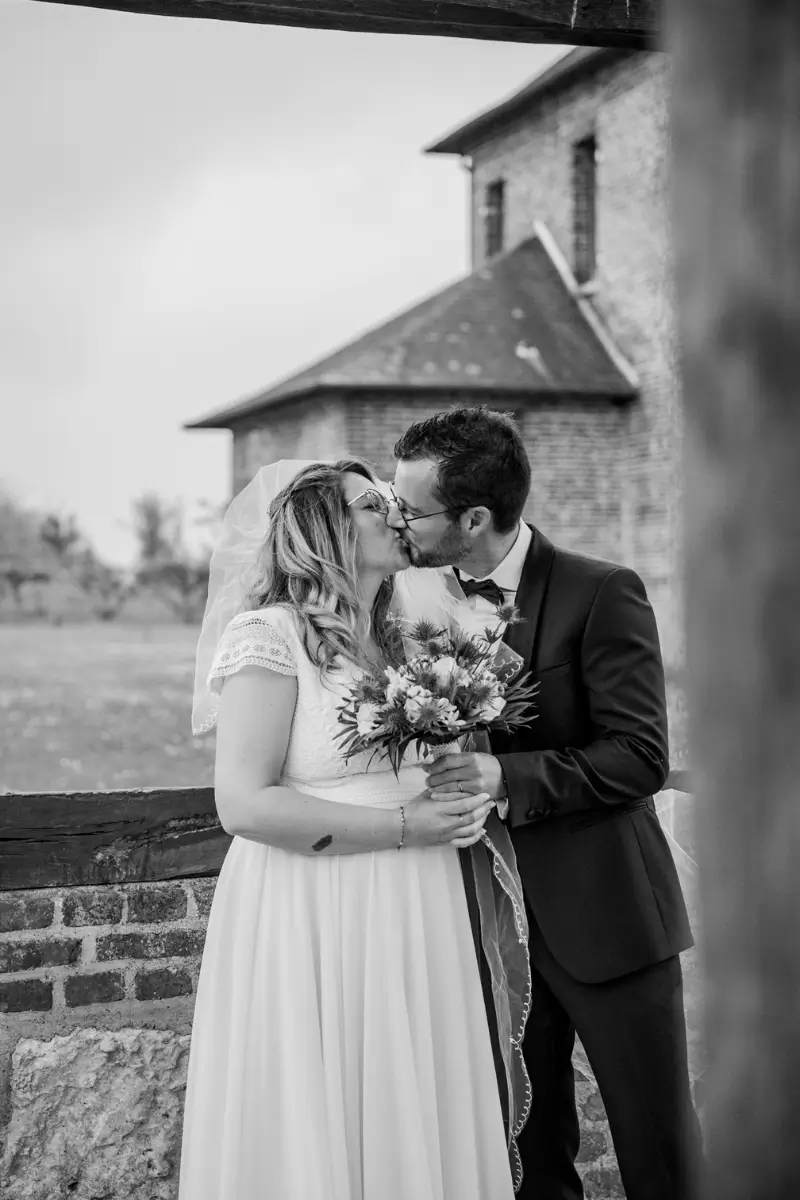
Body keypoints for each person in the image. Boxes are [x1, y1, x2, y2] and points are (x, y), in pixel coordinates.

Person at [179, 457, 526, 1200]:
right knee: (326, 1101)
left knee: (415, 1098)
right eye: (373, 505)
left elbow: (425, 771)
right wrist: (404, 823)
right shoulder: (271, 636)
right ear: (325, 529)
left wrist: (459, 798)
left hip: (418, 905)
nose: (396, 514)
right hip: (315, 910)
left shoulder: (407, 642)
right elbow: (243, 805)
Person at [389, 406, 702, 1200]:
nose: (398, 523)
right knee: (528, 1159)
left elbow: (639, 756)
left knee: (659, 1152)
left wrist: (504, 777)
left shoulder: (601, 592)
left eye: (412, 511)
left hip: (607, 919)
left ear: (473, 519)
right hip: (485, 926)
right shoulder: (405, 601)